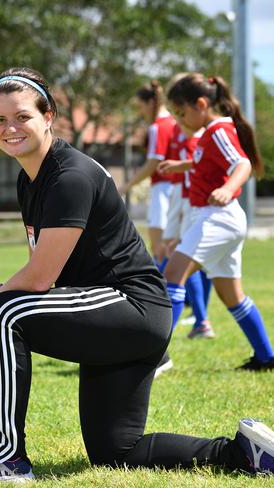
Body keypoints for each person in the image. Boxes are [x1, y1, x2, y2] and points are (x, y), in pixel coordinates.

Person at [0, 67, 274, 484]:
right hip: (118, 318)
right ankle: (244, 454)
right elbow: (47, 271)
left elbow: (39, 279)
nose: (9, 128)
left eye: (22, 116)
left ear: (49, 116)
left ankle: (5, 456)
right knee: (116, 451)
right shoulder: (31, 179)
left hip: (131, 308)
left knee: (7, 312)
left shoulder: (70, 176)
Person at [158, 73, 274, 371]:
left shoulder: (218, 130)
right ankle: (266, 358)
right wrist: (180, 165)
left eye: (182, 114)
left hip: (218, 216)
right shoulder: (212, 132)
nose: (181, 121)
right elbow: (205, 162)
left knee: (173, 272)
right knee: (230, 294)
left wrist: (226, 188)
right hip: (221, 218)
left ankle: (154, 358)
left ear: (201, 104)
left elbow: (242, 163)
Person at [161, 121, 215, 339]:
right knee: (179, 257)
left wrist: (186, 208)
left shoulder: (197, 140)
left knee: (180, 258)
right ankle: (199, 319)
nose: (179, 121)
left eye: (182, 115)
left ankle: (200, 320)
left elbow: (196, 175)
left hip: (190, 204)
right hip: (185, 202)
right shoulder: (189, 138)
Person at [118, 81, 176, 271]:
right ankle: (190, 299)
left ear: (151, 103)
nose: (140, 111)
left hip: (164, 190)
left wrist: (126, 186)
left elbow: (153, 164)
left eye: (140, 106)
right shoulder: (175, 123)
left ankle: (164, 298)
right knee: (177, 248)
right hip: (180, 191)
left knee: (160, 248)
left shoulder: (158, 127)